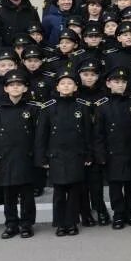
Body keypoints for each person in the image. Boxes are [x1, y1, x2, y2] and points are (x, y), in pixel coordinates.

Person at [0, 69, 41, 239]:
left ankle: (26, 224)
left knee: (27, 195)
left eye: (19, 85)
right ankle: (11, 224)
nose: (15, 88)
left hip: (26, 158)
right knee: (8, 195)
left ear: (25, 89)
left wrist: (38, 159)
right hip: (5, 160)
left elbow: (39, 137)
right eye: (11, 85)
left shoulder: (33, 109)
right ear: (6, 89)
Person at [36, 70, 94, 237]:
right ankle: (60, 224)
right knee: (59, 192)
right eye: (63, 83)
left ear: (76, 87)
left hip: (76, 155)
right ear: (57, 86)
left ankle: (72, 223)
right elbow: (42, 135)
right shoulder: (48, 107)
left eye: (70, 83)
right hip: (56, 156)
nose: (66, 86)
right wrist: (42, 157)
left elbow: (87, 133)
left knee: (75, 192)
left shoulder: (82, 107)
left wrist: (88, 154)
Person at [93, 68, 131, 229]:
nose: (120, 85)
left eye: (123, 82)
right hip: (112, 152)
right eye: (116, 82)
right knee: (115, 186)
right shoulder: (102, 105)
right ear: (108, 83)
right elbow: (98, 134)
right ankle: (118, 214)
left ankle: (130, 213)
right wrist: (100, 155)